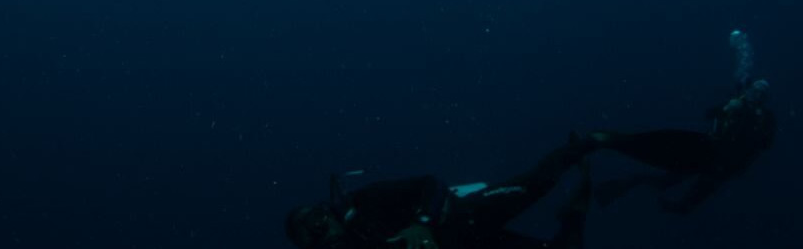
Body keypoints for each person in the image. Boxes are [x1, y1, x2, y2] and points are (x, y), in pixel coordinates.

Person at [285, 135, 593, 249]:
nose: (320, 233)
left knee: (539, 182)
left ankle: (589, 143)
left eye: (315, 221)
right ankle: (575, 214)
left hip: (467, 215)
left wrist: (422, 222)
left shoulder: (366, 202)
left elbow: (430, 184)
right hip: (468, 245)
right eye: (309, 238)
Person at [589, 31, 775, 215]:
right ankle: (628, 184)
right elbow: (710, 115)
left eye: (760, 94)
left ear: (763, 99)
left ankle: (633, 186)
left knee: (681, 200)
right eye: (754, 91)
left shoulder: (763, 118)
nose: (755, 95)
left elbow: (764, 143)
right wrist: (727, 108)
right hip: (710, 155)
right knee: (667, 186)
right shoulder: (738, 106)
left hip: (720, 164)